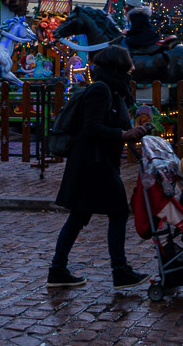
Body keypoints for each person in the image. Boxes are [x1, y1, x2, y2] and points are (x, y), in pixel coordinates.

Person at [48, 45, 149, 290]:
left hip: (97, 162)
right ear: (117, 67)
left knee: (79, 216)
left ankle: (58, 270)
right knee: (117, 213)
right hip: (92, 164)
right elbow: (91, 128)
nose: (132, 69)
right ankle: (119, 271)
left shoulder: (115, 91)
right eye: (128, 64)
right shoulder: (100, 91)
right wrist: (124, 134)